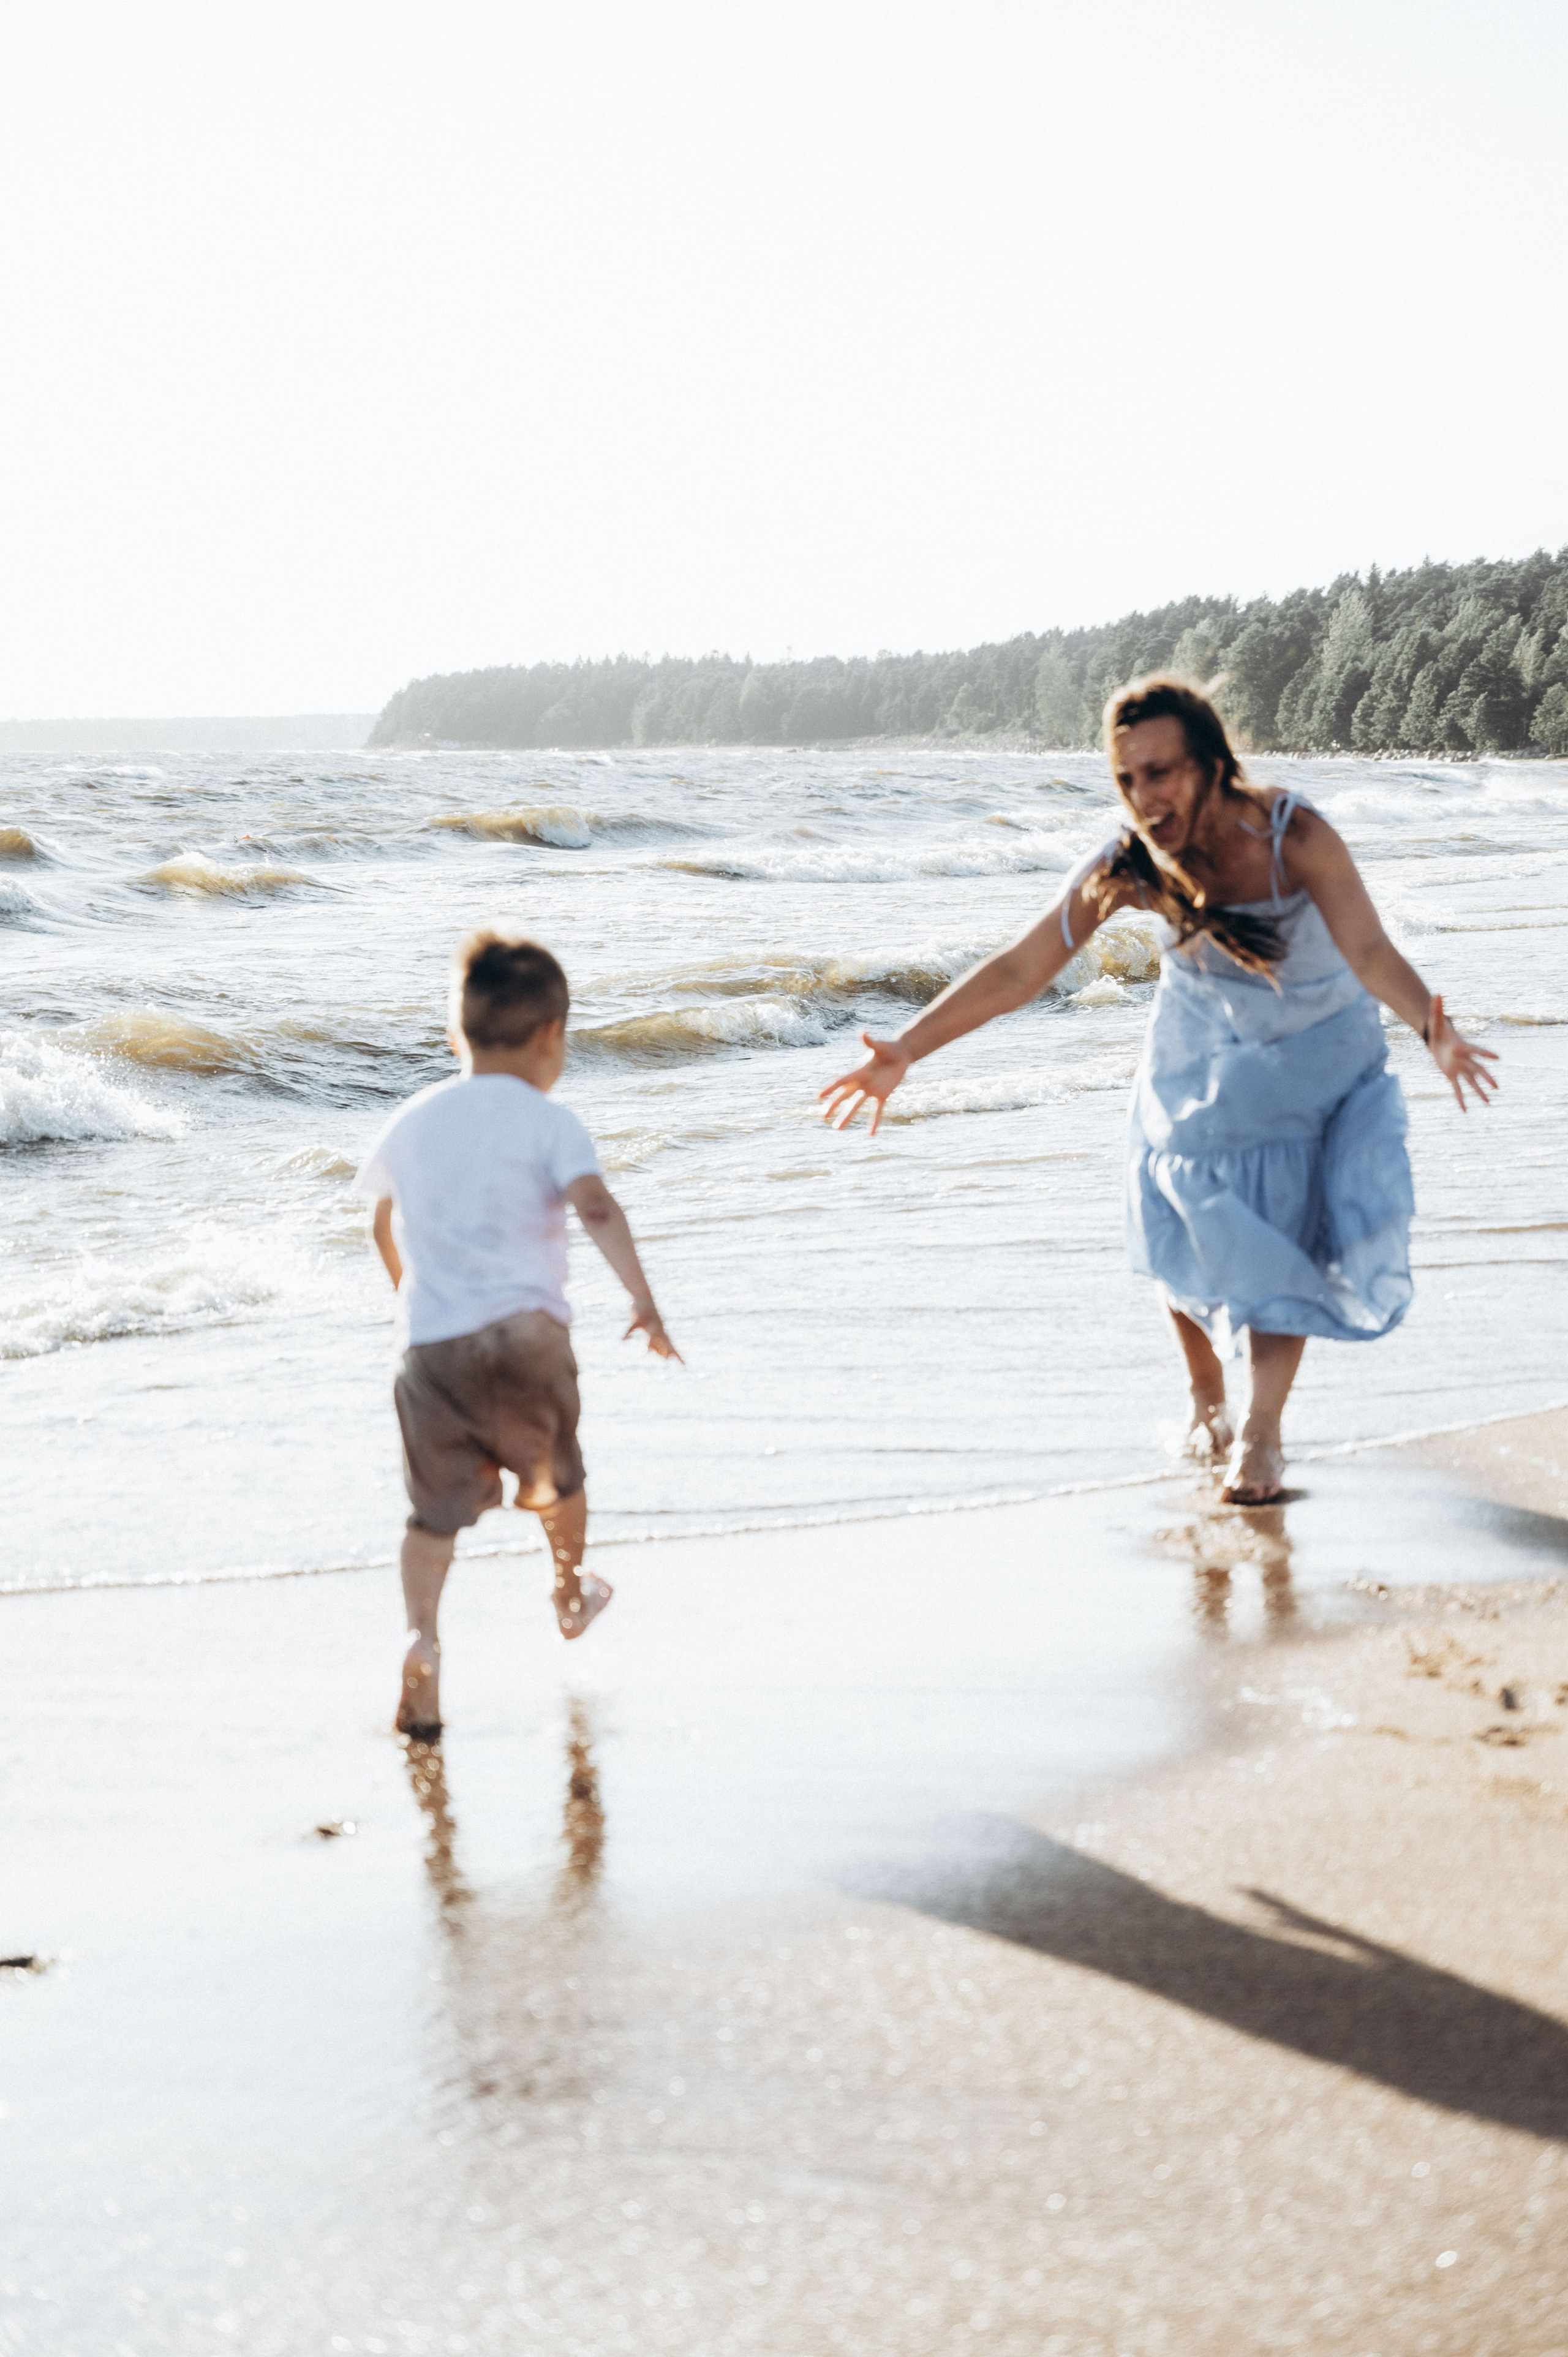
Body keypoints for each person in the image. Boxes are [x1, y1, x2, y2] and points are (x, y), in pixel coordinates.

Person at [819, 675, 1496, 1506]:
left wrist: (1438, 1031)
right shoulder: (1130, 864)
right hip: (1198, 1052)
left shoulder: (1296, 834)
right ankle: (1204, 1393)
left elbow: (1368, 951)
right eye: (1128, 778)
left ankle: (1261, 1430)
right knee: (1178, 1211)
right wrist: (907, 1049)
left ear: (1212, 764)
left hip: (1314, 1056)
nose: (1146, 796)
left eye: (1163, 771)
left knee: (1282, 1238)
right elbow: (1022, 968)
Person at [357, 929, 678, 1739]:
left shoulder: (412, 1121)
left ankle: (421, 1637)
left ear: (456, 1033)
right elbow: (596, 1208)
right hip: (529, 1340)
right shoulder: (550, 1120)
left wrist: (413, 1299)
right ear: (550, 1038)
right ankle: (569, 1594)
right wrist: (644, 1299)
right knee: (559, 1481)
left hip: (430, 1352)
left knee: (432, 1520)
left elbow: (382, 1221)